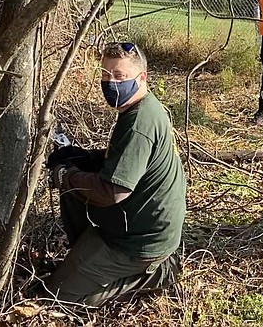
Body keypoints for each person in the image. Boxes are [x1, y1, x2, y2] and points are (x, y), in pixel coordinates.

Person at [44, 42, 186, 306]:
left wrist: (65, 176)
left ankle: (156, 275)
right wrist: (86, 157)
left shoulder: (138, 124)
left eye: (119, 76)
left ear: (142, 77)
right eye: (105, 74)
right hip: (137, 223)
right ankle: (89, 258)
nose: (110, 83)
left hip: (140, 239)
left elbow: (113, 191)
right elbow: (126, 158)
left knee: (61, 296)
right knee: (77, 185)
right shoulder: (142, 107)